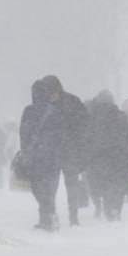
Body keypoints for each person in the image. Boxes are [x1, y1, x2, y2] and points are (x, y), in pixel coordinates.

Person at [39, 75, 89, 226]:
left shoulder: (72, 102)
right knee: (50, 186)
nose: (51, 96)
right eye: (48, 93)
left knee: (71, 185)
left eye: (53, 92)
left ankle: (73, 215)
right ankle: (51, 214)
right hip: (52, 152)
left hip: (69, 151)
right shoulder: (43, 105)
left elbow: (85, 123)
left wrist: (76, 139)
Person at [86, 90, 128, 221]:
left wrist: (84, 155)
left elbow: (87, 138)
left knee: (104, 184)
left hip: (98, 158)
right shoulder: (120, 116)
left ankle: (107, 206)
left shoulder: (92, 117)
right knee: (118, 185)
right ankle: (115, 208)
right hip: (119, 157)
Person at [20, 80, 62, 231]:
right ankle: (48, 217)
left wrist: (25, 151)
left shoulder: (29, 111)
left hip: (36, 158)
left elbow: (23, 134)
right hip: (50, 158)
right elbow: (59, 137)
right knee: (49, 189)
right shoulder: (54, 112)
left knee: (38, 188)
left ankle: (47, 217)